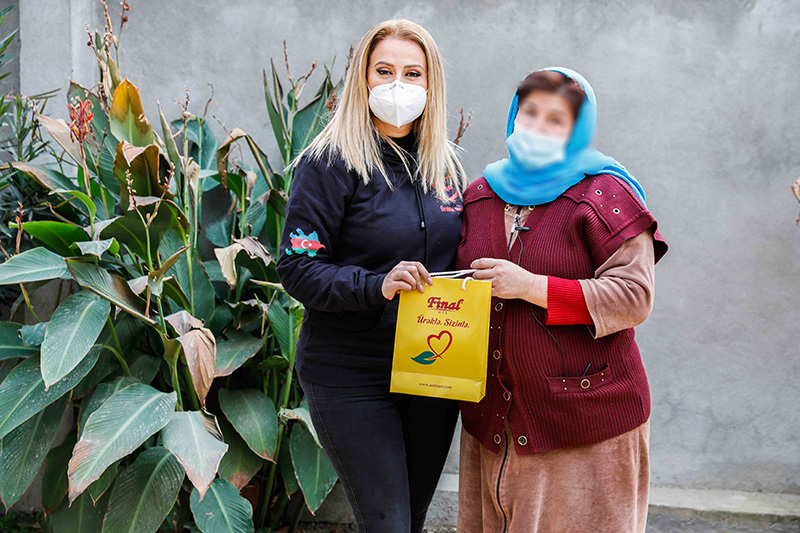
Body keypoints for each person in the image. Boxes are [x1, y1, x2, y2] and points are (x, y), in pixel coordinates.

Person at [455, 67, 668, 533]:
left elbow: (634, 296)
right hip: (494, 423)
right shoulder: (480, 195)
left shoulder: (605, 195)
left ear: (579, 129)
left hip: (584, 426)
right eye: (530, 112)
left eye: (556, 118)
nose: (538, 126)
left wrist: (532, 286)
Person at [276, 19, 467, 533]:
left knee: (412, 520)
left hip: (432, 368)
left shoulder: (445, 168)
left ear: (431, 83)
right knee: (388, 525)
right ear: (363, 77)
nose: (398, 84)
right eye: (384, 70)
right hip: (352, 371)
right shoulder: (327, 163)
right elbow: (297, 268)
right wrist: (376, 284)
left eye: (412, 73)